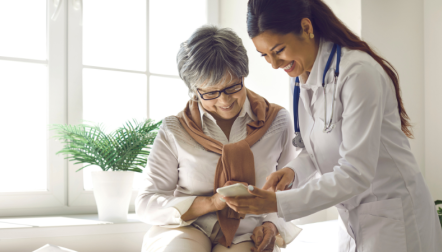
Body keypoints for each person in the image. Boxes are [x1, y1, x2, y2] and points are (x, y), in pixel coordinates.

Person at [223, 0, 442, 251]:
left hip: (394, 214)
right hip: (353, 217)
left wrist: (277, 203)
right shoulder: (299, 77)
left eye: (279, 50)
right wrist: (293, 172)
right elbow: (316, 149)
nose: (274, 64)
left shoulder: (358, 73)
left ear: (306, 27)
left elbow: (355, 172)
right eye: (265, 56)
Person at [136, 25, 301, 252]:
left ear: (243, 75)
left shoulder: (277, 121)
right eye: (211, 92)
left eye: (232, 87)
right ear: (194, 90)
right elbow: (147, 202)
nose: (224, 101)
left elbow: (291, 191)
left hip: (248, 231)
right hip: (188, 226)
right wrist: (210, 203)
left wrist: (272, 224)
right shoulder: (175, 129)